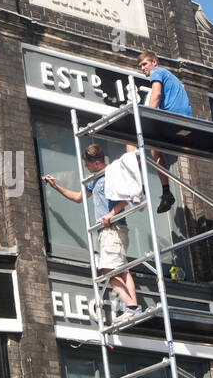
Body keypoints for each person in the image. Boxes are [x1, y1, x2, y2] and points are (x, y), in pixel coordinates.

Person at [43, 144, 143, 322]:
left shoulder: (111, 175)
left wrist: (110, 215)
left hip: (113, 228)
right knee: (121, 269)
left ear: (97, 163)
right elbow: (78, 198)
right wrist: (56, 186)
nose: (85, 166)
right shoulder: (94, 179)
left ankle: (131, 307)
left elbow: (128, 197)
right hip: (111, 230)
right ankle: (134, 307)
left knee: (107, 269)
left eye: (88, 163)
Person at [137, 50, 193, 213]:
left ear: (154, 62)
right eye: (140, 66)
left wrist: (146, 118)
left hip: (173, 119)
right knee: (155, 151)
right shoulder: (170, 77)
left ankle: (137, 186)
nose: (143, 69)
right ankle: (167, 192)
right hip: (182, 121)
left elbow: (156, 94)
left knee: (134, 140)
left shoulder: (157, 72)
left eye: (144, 64)